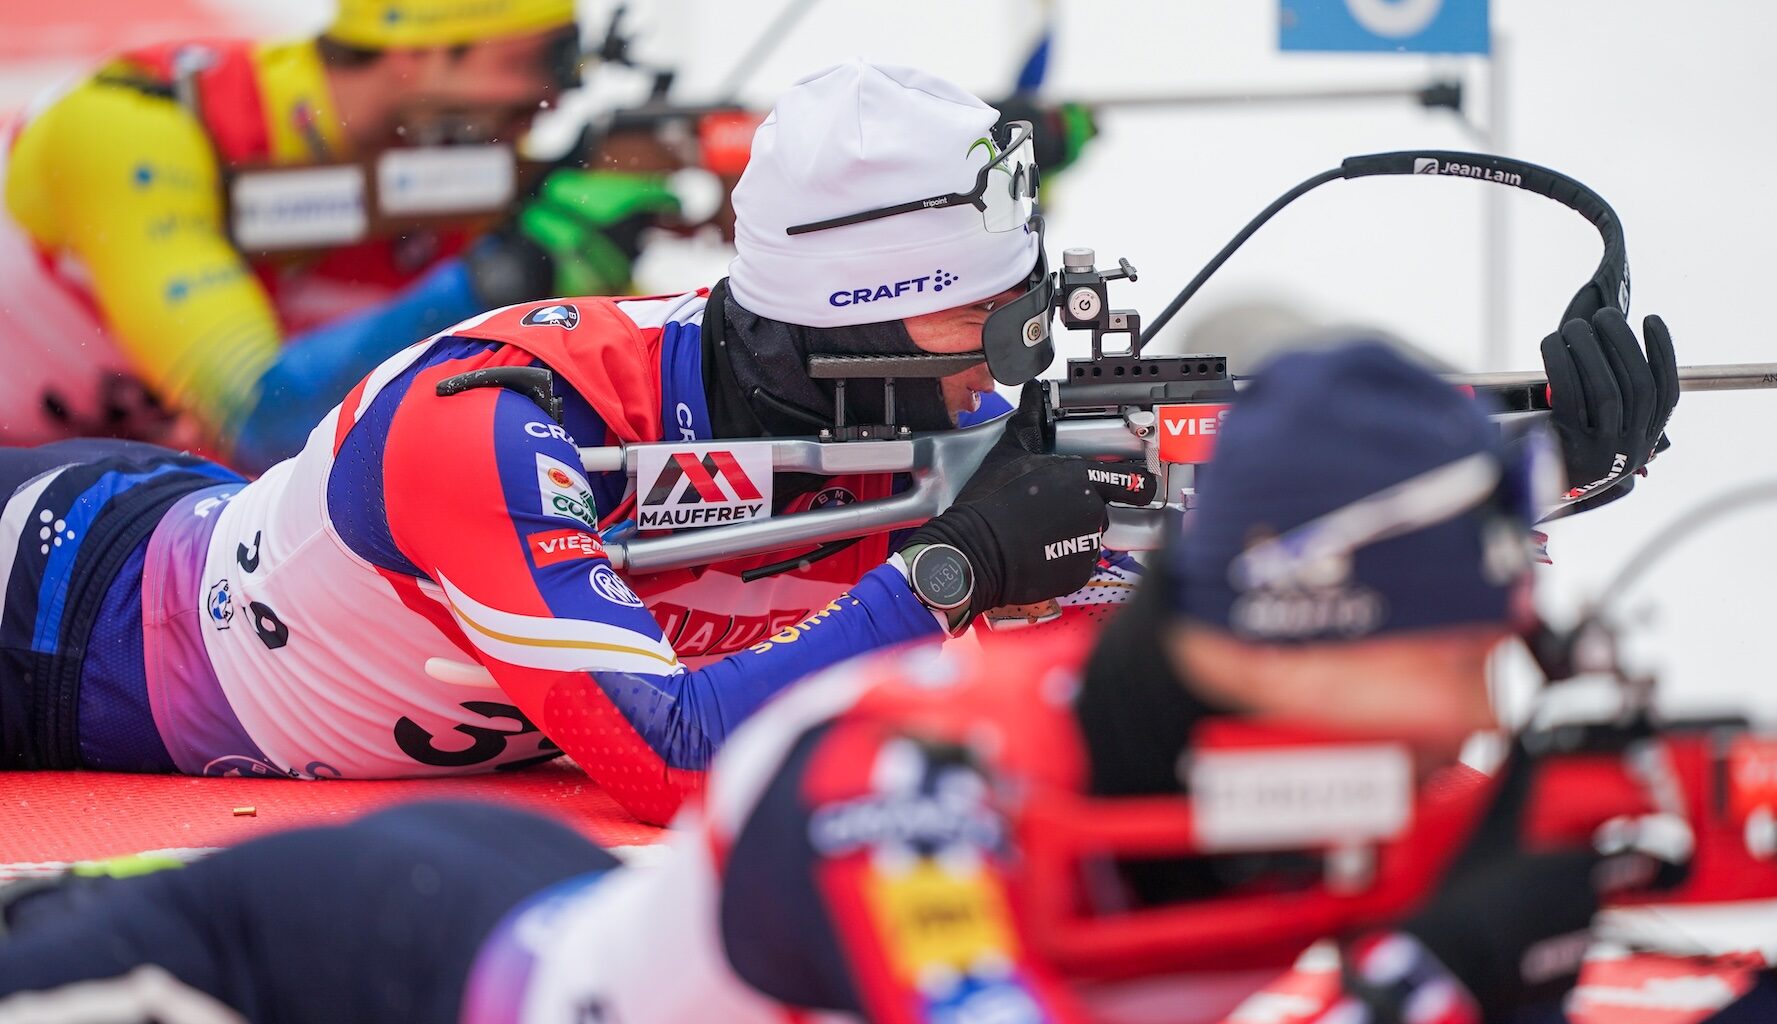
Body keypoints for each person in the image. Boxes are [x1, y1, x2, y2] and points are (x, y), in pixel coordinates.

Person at [0, 338, 1683, 1024]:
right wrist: (1438, 983)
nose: (1483, 710)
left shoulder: (1307, 756)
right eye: (1462, 647)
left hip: (490, 875)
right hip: (344, 964)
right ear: (1299, 624)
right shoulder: (917, 783)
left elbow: (1199, 516)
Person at [0, 63, 1150, 829]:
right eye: (981, 320)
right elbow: (672, 758)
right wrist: (953, 569)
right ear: (852, 321)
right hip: (56, 619)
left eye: (1028, 309)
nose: (1008, 362)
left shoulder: (893, 416)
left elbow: (1135, 636)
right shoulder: (500, 421)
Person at [0, 0, 672, 469]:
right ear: (420, 53)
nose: (552, 98)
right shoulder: (132, 128)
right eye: (541, 61)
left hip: (152, 510)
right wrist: (510, 272)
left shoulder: (455, 160)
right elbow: (259, 419)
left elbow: (636, 398)